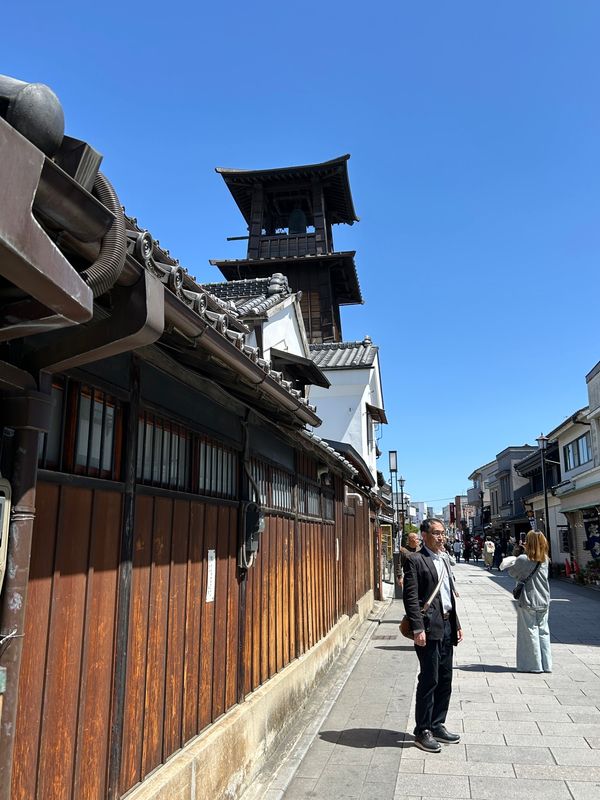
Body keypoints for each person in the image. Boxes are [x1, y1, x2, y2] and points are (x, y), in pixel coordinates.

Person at [403, 519, 463, 753]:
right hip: (428, 628)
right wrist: (417, 628)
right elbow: (411, 598)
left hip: (447, 625)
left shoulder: (445, 560)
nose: (441, 537)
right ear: (424, 535)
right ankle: (423, 730)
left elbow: (448, 596)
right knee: (430, 678)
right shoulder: (415, 560)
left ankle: (438, 723)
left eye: (443, 533)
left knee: (446, 678)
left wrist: (456, 623)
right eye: (436, 533)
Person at [507, 530, 552, 673]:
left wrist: (518, 553)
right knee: (544, 632)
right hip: (544, 599)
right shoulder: (545, 559)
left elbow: (512, 573)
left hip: (528, 599)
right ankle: (546, 664)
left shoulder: (523, 559)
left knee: (529, 632)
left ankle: (533, 665)